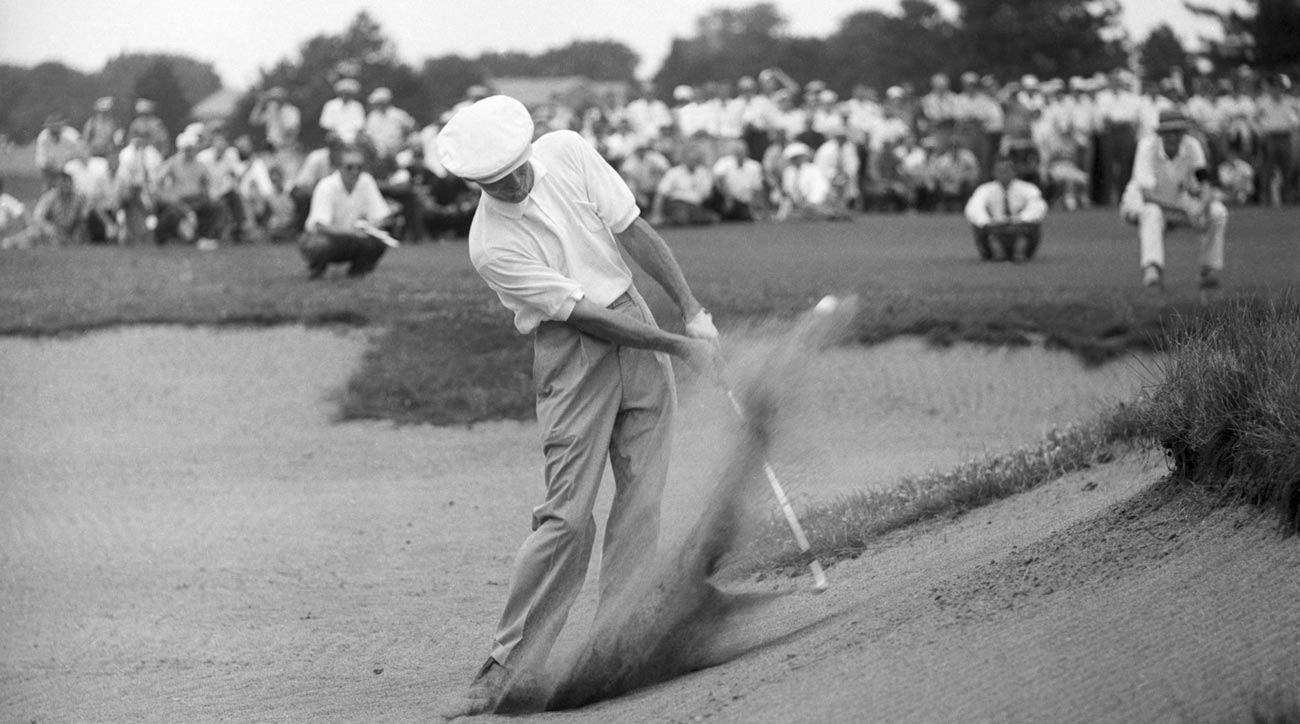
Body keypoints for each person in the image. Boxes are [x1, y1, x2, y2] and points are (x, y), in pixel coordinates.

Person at [435, 94, 722, 716]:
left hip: (635, 320)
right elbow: (586, 316)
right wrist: (675, 346)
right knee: (567, 515)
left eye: (513, 169)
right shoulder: (490, 244)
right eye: (492, 182)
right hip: (573, 353)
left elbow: (634, 232)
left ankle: (618, 637)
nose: (510, 185)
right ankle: (506, 665)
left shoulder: (565, 151)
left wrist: (691, 310)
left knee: (644, 493)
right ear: (474, 183)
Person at [1120, 109, 1227, 290]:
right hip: (1137, 203)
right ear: (1160, 133)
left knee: (1218, 212)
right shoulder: (1146, 147)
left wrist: (1202, 207)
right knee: (1152, 213)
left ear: (1183, 133)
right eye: (1168, 132)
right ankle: (1152, 270)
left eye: (1177, 132)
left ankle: (1209, 270)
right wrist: (1186, 210)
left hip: (1176, 200)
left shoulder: (1192, 146)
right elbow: (1147, 195)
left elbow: (1205, 183)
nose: (1173, 137)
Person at [298, 146, 393, 279]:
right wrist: (352, 231)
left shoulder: (366, 181)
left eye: (359, 167)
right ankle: (316, 271)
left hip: (353, 237)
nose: (355, 171)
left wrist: (370, 227)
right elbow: (320, 226)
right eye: (349, 167)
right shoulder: (326, 186)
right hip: (325, 237)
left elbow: (382, 216)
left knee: (379, 240)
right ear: (339, 168)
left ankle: (357, 273)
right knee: (320, 244)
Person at [964, 155, 1048, 262]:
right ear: (993, 172)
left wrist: (1019, 220)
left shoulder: (1028, 188)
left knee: (1031, 224)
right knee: (981, 226)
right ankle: (996, 252)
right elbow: (973, 208)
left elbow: (1038, 207)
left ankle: (1020, 251)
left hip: (1019, 228)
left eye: (1007, 170)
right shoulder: (984, 190)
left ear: (1014, 172)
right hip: (994, 229)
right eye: (1000, 171)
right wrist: (988, 222)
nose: (1003, 174)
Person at [7, 167, 90, 248]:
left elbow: (82, 218)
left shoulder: (78, 199)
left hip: (69, 232)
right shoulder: (50, 197)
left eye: (68, 183)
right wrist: (48, 227)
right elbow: (38, 217)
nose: (66, 187)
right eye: (63, 183)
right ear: (57, 184)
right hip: (51, 231)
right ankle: (10, 243)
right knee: (32, 234)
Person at [650, 143, 719, 226]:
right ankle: (662, 219)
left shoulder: (703, 173)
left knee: (709, 219)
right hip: (677, 204)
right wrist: (656, 213)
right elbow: (661, 194)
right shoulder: (674, 172)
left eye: (695, 159)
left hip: (695, 205)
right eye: (690, 158)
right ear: (684, 159)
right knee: (682, 217)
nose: (692, 161)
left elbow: (707, 194)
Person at [319, 78, 366, 146]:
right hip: (335, 136)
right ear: (339, 93)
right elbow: (325, 124)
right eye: (343, 93)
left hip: (354, 137)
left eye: (348, 93)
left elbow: (360, 125)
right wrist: (336, 135)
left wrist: (355, 137)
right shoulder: (330, 105)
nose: (346, 95)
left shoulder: (358, 106)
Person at [0, 178, 31, 248]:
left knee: (6, 245)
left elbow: (22, 211)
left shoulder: (5, 200)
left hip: (4, 238)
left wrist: (27, 229)